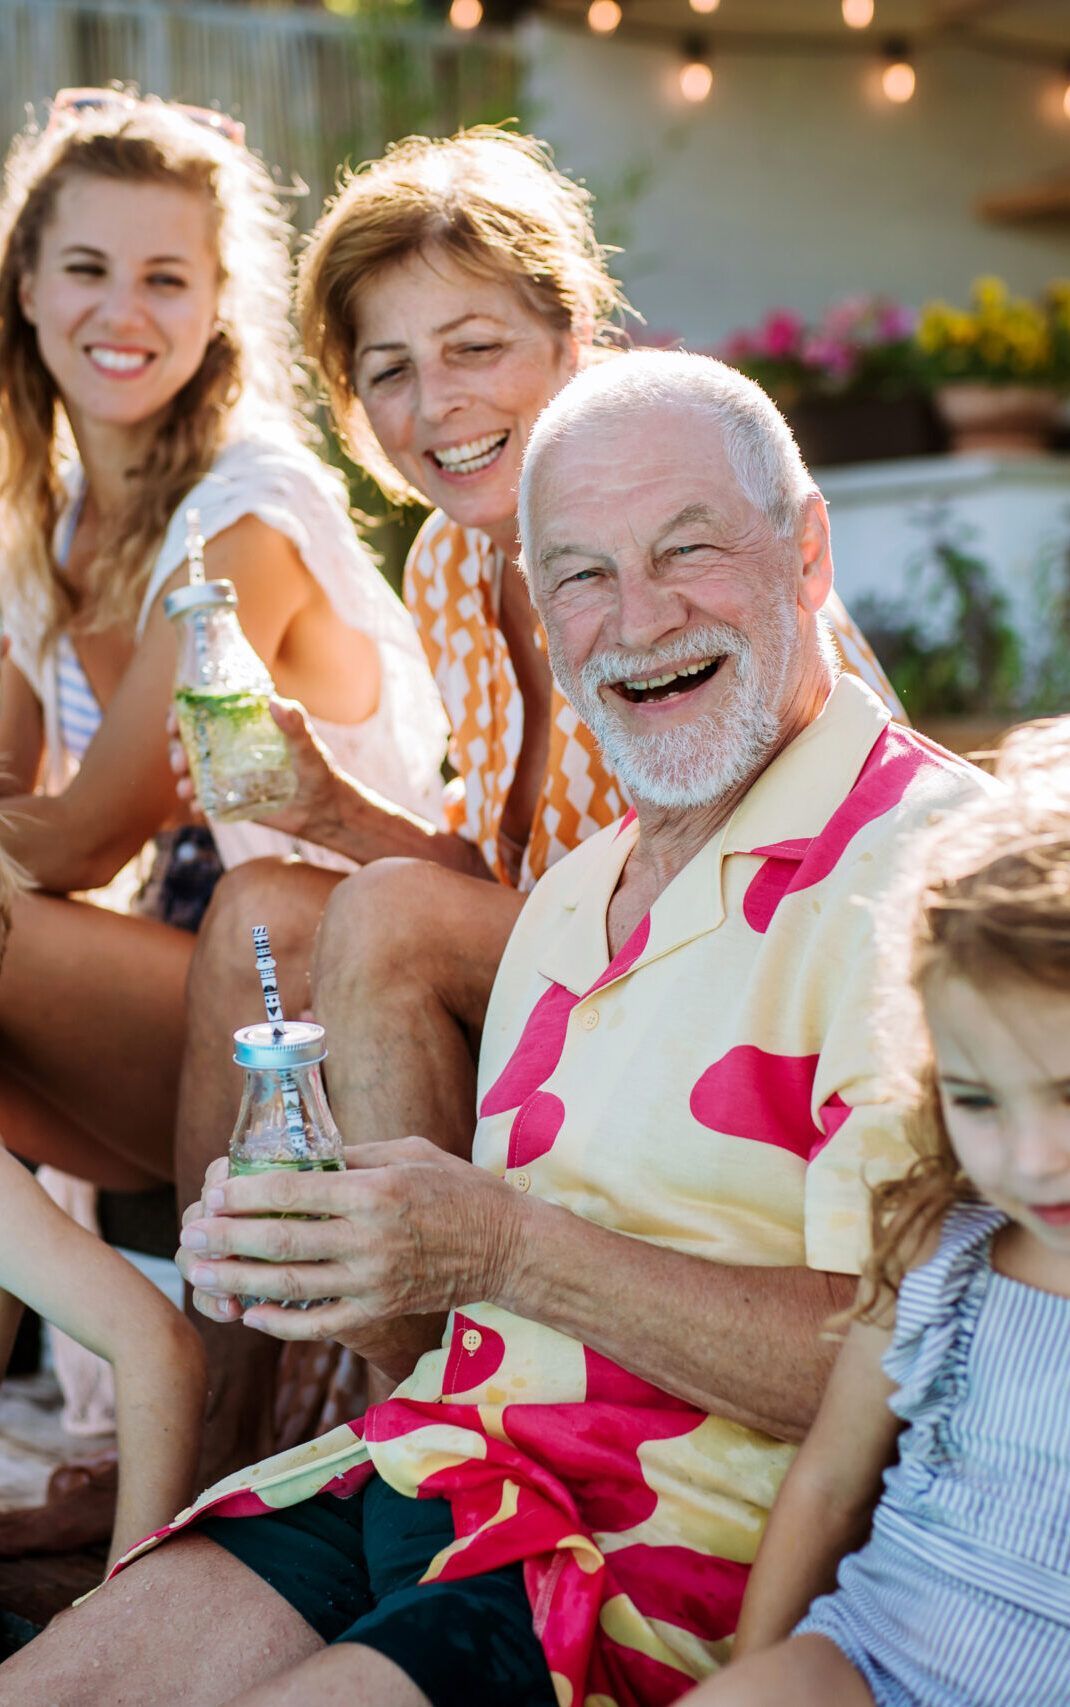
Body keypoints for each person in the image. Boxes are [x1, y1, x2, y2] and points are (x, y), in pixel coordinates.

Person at [3, 353, 987, 1707]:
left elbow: (922, 1368)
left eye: (686, 549)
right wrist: (352, 1263)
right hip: (425, 1464)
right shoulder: (574, 892)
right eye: (580, 574)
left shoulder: (930, 876)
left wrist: (505, 1242)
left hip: (664, 1560)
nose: (636, 619)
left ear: (805, 550)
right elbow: (466, 1335)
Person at [172, 125, 907, 1478]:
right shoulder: (456, 563)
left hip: (732, 943)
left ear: (573, 334)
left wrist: (376, 868)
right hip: (570, 936)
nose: (433, 401)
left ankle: (421, 1419)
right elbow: (510, 872)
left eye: (471, 346)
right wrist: (323, 804)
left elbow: (751, 839)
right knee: (255, 912)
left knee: (384, 919)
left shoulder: (649, 524)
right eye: (386, 370)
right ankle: (208, 1422)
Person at [0, 88, 445, 1551]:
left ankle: (176, 1394)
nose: (120, 309)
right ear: (26, 281)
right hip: (182, 1004)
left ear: (214, 309)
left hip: (339, 993)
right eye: (85, 267)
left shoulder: (242, 508)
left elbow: (69, 842)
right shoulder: (44, 525)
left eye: (164, 276)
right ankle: (127, 1375)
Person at [679, 718, 1070, 1707]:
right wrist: (753, 1672)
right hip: (862, 1659)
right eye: (975, 1100)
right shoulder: (942, 1258)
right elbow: (826, 1485)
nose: (1027, 1158)